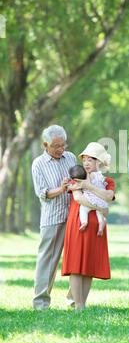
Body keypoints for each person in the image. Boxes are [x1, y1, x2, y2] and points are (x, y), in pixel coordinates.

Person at [61, 142, 115, 311]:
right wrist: (101, 208)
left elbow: (108, 195)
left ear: (99, 162)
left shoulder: (107, 181)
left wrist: (89, 186)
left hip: (96, 228)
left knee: (88, 266)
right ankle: (78, 305)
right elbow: (78, 198)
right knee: (76, 265)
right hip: (78, 223)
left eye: (91, 159)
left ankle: (83, 303)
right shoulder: (75, 178)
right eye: (84, 159)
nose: (86, 162)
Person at [31, 124, 77, 310]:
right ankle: (41, 303)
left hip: (74, 217)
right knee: (47, 261)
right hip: (53, 219)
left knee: (75, 260)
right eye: (56, 146)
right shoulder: (38, 164)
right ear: (45, 145)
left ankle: (75, 300)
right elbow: (42, 193)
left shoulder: (71, 158)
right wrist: (62, 188)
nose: (60, 149)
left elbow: (79, 179)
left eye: (63, 145)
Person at [69, 158, 110, 236]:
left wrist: (70, 187)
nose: (86, 163)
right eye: (84, 161)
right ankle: (101, 225)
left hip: (89, 200)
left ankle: (84, 222)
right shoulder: (99, 176)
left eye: (89, 160)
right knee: (100, 214)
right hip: (100, 201)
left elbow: (76, 191)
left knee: (83, 210)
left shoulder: (81, 180)